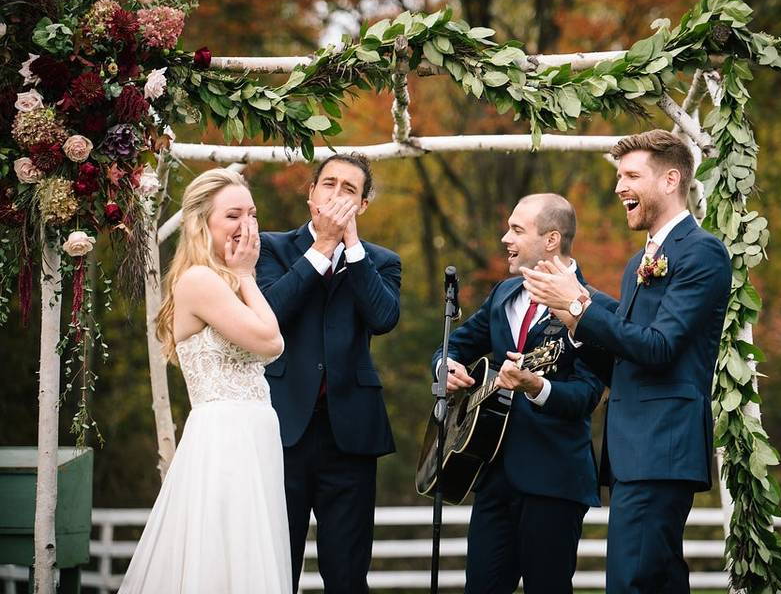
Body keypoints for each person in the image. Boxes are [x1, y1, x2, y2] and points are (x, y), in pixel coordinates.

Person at [521, 130, 732, 594]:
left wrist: (580, 306)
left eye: (632, 175)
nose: (619, 187)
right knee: (657, 581)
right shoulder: (639, 260)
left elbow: (659, 347)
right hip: (634, 449)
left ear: (671, 179)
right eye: (619, 176)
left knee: (632, 582)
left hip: (663, 444)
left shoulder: (702, 252)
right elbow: (625, 360)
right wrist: (574, 326)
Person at [121, 169, 289, 593]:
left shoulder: (228, 282)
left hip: (254, 434)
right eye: (233, 215)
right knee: (222, 552)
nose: (247, 225)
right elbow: (271, 342)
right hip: (225, 437)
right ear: (202, 223)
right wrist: (249, 277)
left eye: (252, 214)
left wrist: (243, 278)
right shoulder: (199, 281)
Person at [433, 193, 604, 594]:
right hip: (493, 475)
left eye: (516, 229)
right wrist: (446, 368)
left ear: (551, 240)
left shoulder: (595, 307)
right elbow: (453, 345)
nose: (504, 238)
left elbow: (585, 395)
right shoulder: (503, 295)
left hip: (554, 481)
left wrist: (537, 386)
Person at [255, 153, 401, 593]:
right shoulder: (271, 248)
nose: (337, 196)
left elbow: (383, 318)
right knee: (278, 565)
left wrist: (350, 248)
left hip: (351, 436)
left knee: (347, 573)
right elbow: (269, 313)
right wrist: (321, 248)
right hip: (283, 430)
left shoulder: (380, 260)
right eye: (330, 185)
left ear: (363, 206)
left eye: (350, 190)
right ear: (311, 194)